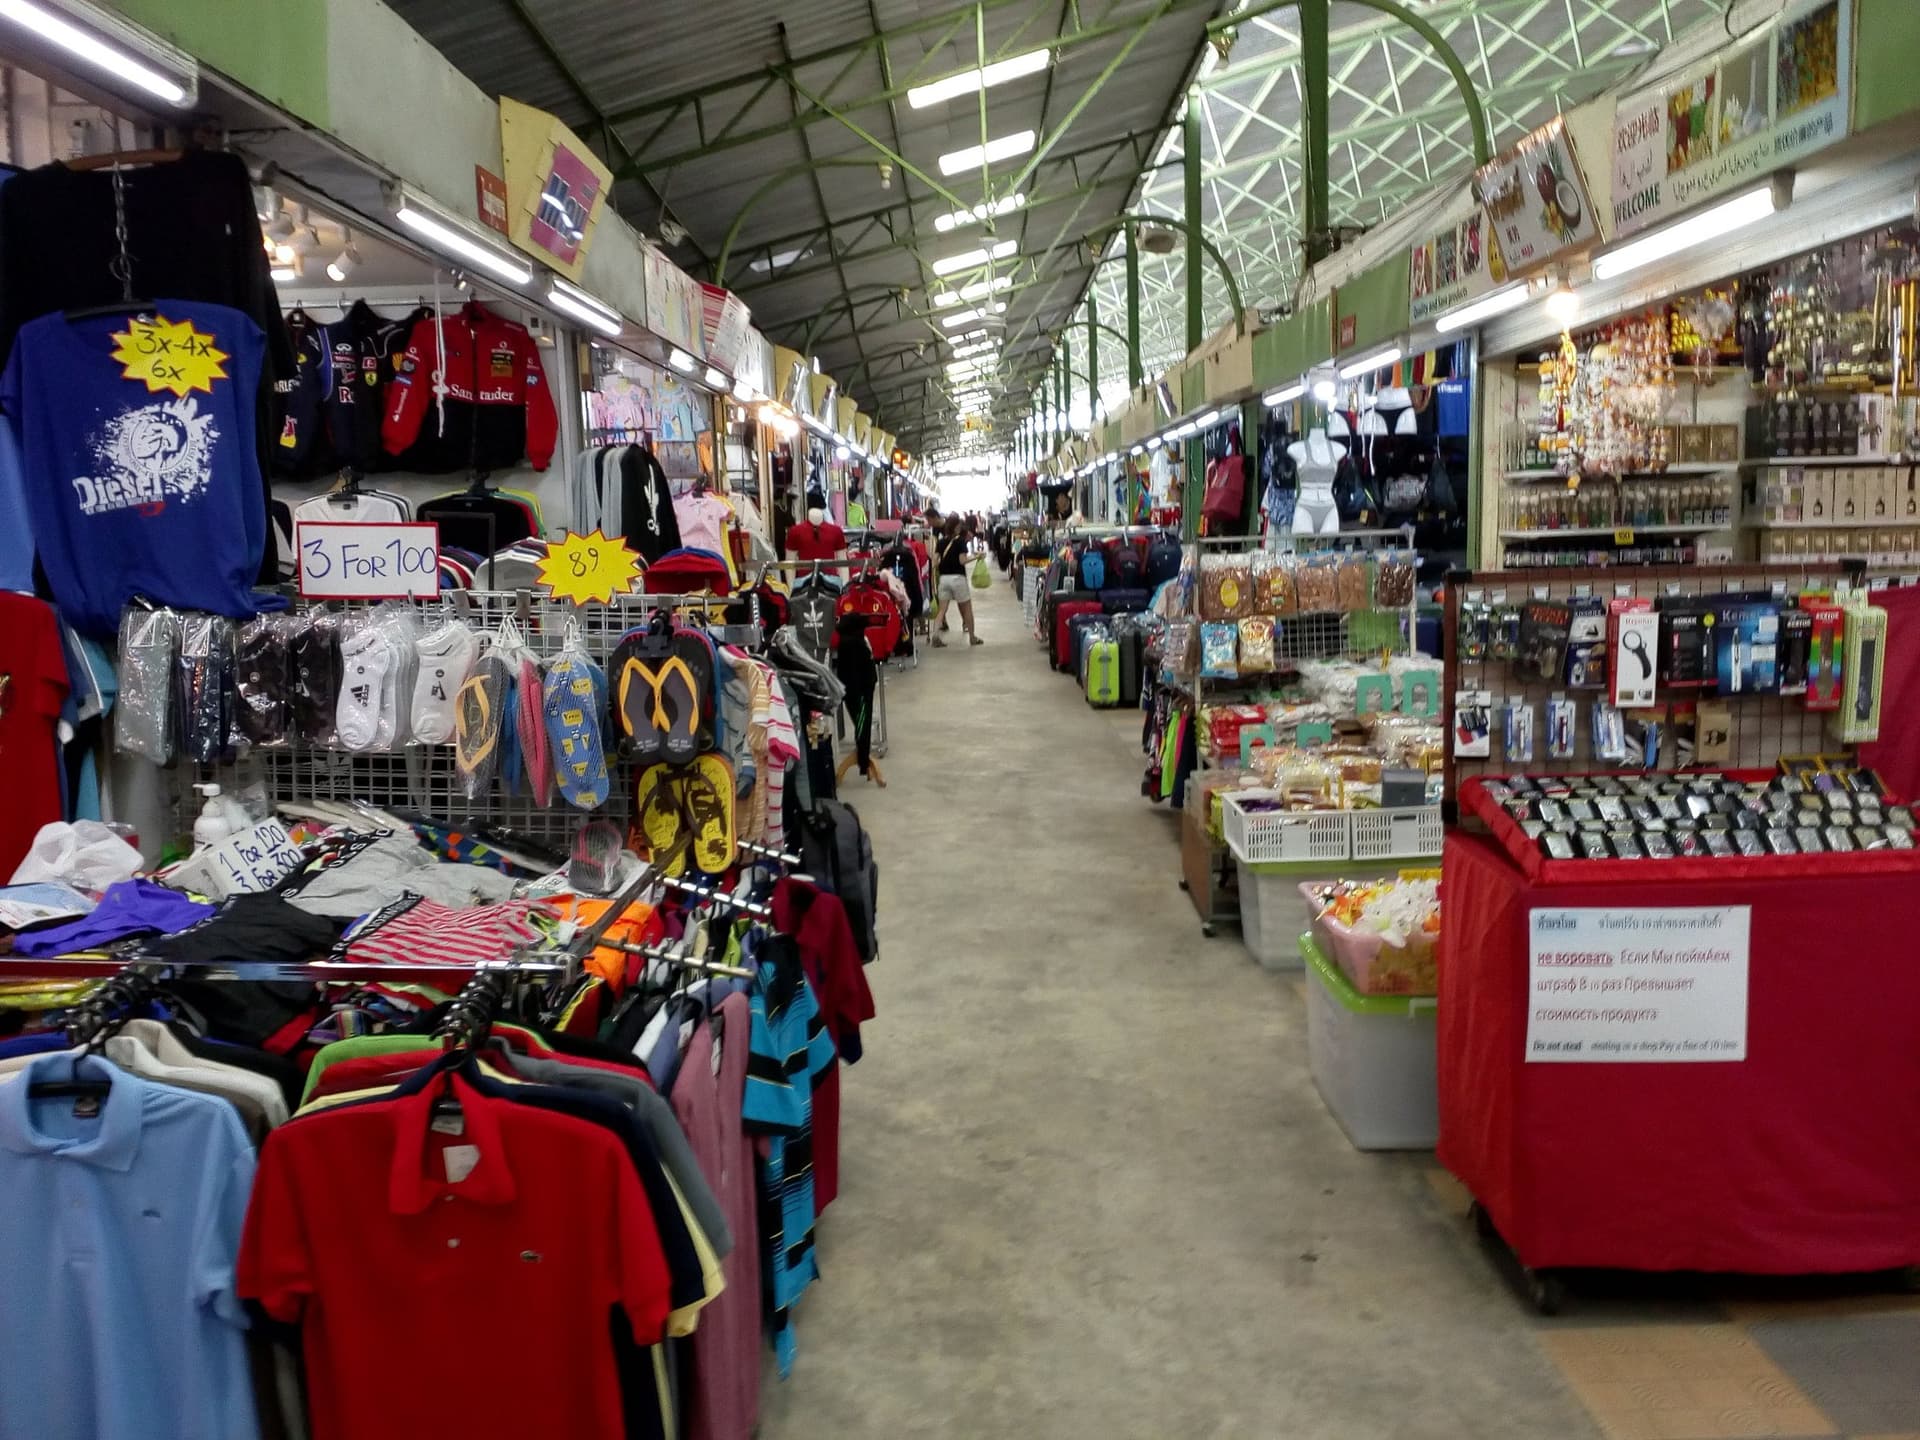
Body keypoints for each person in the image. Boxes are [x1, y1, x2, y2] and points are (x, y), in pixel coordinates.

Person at [930, 514, 982, 648]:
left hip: (944, 579)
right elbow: (962, 560)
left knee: (942, 610)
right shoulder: (960, 542)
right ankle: (972, 637)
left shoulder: (941, 543)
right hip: (958, 579)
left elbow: (934, 562)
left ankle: (935, 636)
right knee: (967, 609)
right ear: (957, 528)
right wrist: (976, 557)